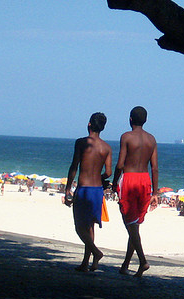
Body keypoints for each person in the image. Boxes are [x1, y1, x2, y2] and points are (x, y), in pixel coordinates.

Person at [113, 106, 159, 277]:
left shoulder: (126, 137)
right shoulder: (151, 139)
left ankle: (142, 260)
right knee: (134, 225)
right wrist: (155, 192)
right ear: (145, 120)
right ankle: (125, 265)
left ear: (130, 119)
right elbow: (154, 168)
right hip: (145, 180)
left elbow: (119, 164)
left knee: (130, 225)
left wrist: (113, 181)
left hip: (130, 179)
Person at [64, 112, 112, 272]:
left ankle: (96, 252)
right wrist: (98, 177)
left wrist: (67, 189)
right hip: (97, 190)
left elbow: (74, 166)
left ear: (89, 124)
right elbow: (109, 172)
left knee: (79, 227)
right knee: (90, 226)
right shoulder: (106, 147)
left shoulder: (81, 143)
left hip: (84, 188)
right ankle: (87, 263)